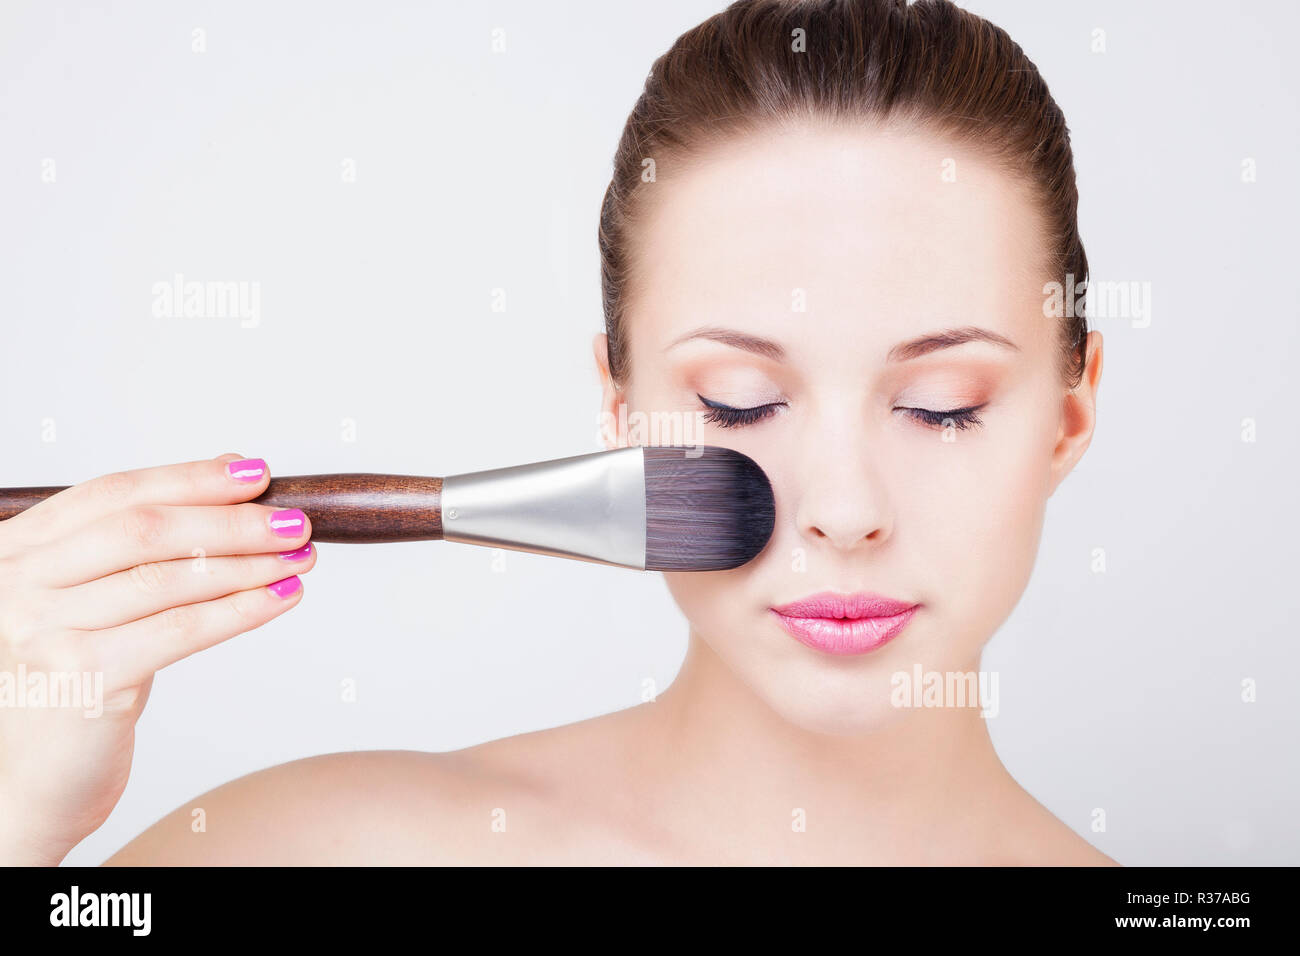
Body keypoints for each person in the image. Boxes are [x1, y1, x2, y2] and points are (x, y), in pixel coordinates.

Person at [0, 0, 1113, 865]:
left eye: (940, 405)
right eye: (736, 399)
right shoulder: (321, 851)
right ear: (621, 410)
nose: (845, 508)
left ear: (1069, 415)